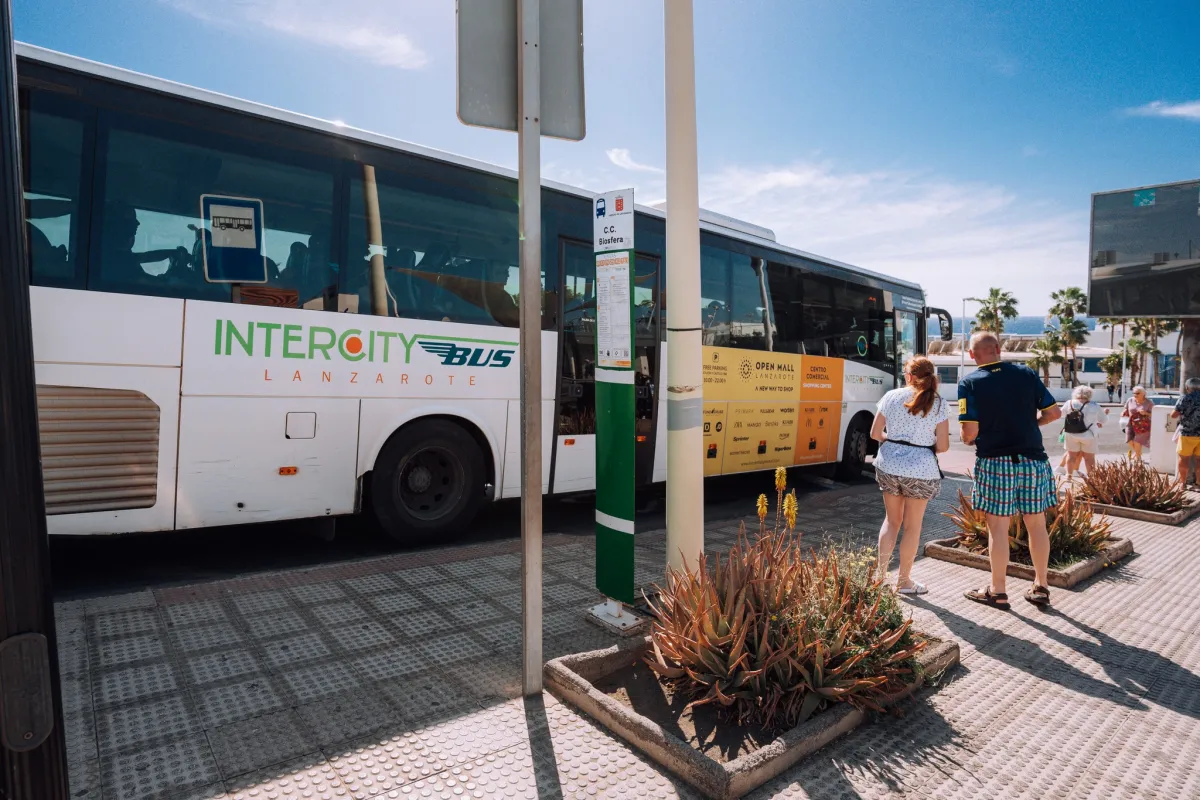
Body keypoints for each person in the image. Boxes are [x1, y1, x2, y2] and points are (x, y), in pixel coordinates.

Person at [958, 331, 1061, 609]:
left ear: (972, 355)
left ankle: (998, 591)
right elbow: (1054, 414)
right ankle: (1041, 586)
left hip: (995, 462)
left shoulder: (969, 382)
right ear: (999, 349)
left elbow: (970, 431)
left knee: (998, 529)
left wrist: (967, 439)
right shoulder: (1026, 374)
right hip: (1033, 459)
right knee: (1036, 524)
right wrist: (1028, 426)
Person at [870, 356, 951, 595]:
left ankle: (879, 577)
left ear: (909, 376)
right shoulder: (939, 403)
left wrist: (895, 443)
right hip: (921, 471)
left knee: (891, 521)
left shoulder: (891, 396)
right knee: (912, 527)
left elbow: (876, 433)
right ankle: (904, 582)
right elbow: (944, 446)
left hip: (889, 466)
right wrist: (921, 448)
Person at [1061, 385, 1105, 478]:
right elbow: (1103, 419)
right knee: (1089, 458)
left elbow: (1061, 414)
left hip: (1071, 433)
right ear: (1090, 394)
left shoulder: (1069, 403)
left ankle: (1069, 475)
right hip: (1089, 434)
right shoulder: (1094, 405)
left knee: (1071, 455)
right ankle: (1092, 477)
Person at [1171, 377, 1200, 486]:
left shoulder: (1185, 398)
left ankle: (1182, 483)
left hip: (1187, 434)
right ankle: (1198, 482)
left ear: (1188, 388)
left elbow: (1173, 415)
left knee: (1184, 459)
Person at [1122, 386, 1153, 459]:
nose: (1135, 395)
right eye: (1134, 393)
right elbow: (1126, 409)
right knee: (1129, 440)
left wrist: (1146, 413)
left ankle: (1138, 458)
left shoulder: (1149, 403)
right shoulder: (1130, 400)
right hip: (1130, 423)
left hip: (1143, 425)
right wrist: (1123, 412)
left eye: (1137, 393)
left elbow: (1154, 413)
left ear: (1143, 394)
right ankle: (1138, 452)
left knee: (1137, 441)